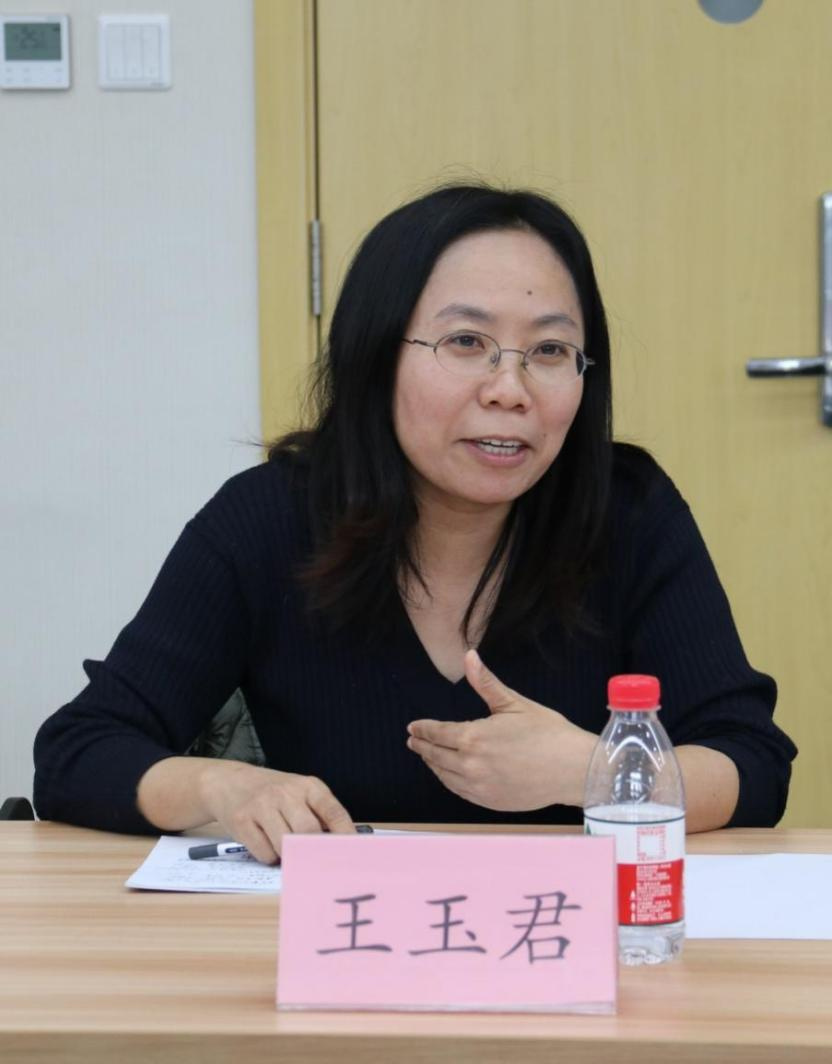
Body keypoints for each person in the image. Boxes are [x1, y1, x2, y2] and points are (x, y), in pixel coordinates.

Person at [33, 184, 797, 862]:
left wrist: (591, 771)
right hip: (341, 941)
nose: (510, 388)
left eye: (550, 350)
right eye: (466, 342)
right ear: (377, 356)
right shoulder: (269, 518)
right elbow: (77, 750)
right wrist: (220, 786)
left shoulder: (626, 512)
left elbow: (752, 763)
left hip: (572, 941)